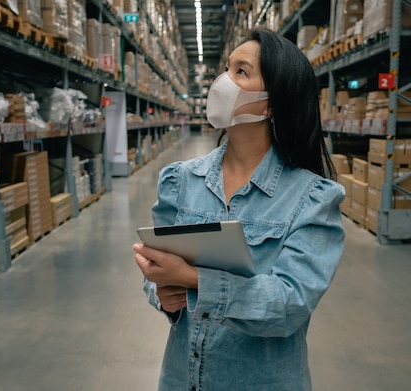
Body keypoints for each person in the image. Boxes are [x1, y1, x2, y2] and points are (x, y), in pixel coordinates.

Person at [133, 27, 345, 391]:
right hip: (182, 380)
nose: (222, 81)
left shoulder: (312, 198)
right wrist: (162, 293)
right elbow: (157, 274)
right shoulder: (180, 181)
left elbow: (289, 304)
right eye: (226, 68)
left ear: (271, 103)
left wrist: (194, 281)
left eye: (241, 72)